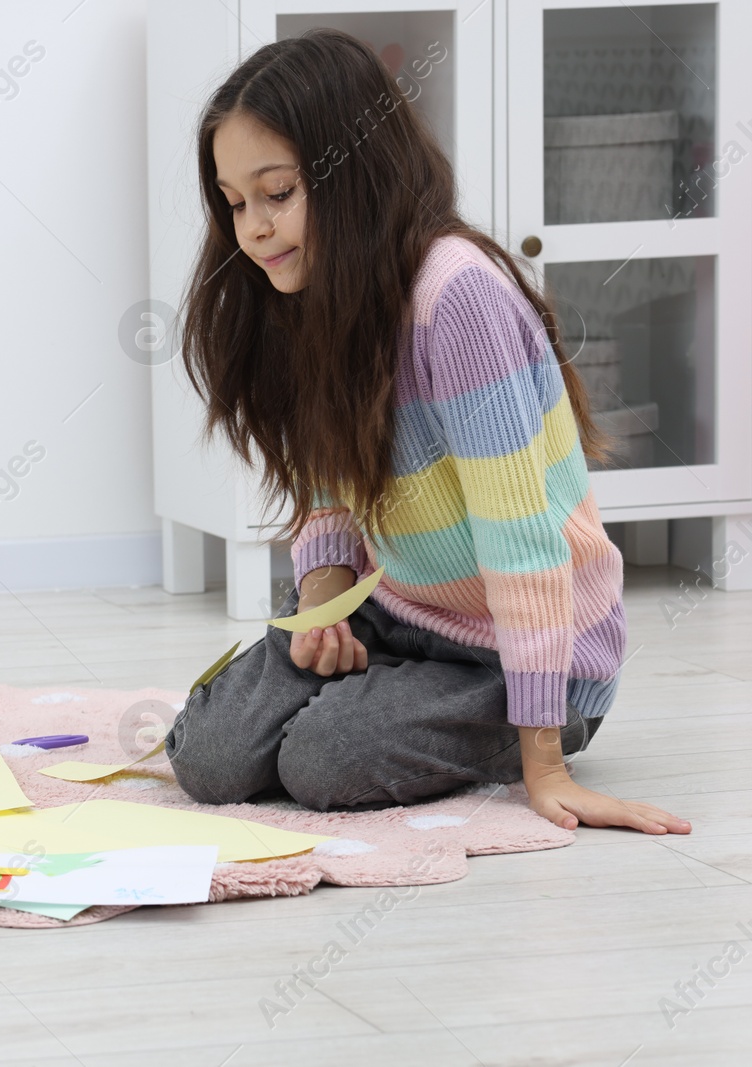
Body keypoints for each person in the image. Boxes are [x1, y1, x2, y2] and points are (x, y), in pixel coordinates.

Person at [162, 28, 689, 835]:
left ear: (356, 171)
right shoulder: (308, 293)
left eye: (278, 192)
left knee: (323, 761)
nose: (255, 228)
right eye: (236, 203)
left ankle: (492, 722)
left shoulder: (458, 299)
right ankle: (373, 692)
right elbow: (329, 485)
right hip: (398, 613)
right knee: (208, 755)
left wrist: (544, 762)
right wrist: (324, 594)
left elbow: (524, 543)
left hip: (526, 648)